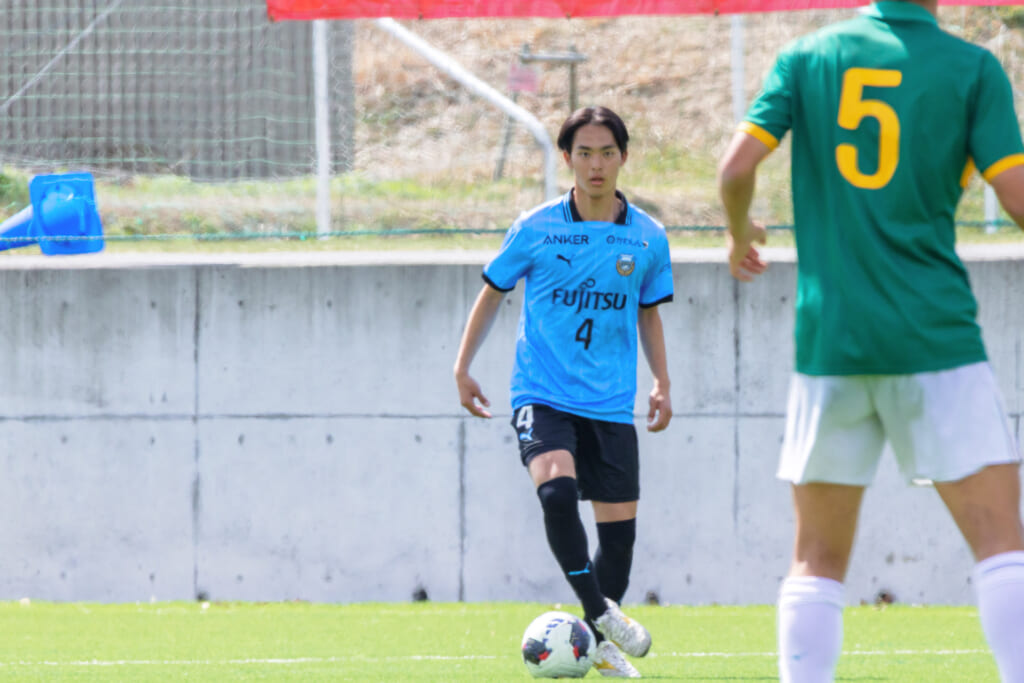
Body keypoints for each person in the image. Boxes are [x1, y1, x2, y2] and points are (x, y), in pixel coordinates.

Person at [717, 1, 1024, 681]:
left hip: (831, 343)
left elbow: (735, 169)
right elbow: (1018, 197)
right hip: (936, 337)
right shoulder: (972, 68)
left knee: (816, 559)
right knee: (1002, 545)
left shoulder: (806, 57)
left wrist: (739, 235)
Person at [454, 106, 674, 679]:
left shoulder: (648, 237)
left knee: (618, 542)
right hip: (543, 391)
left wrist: (662, 381)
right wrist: (463, 366)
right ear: (567, 158)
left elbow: (649, 313)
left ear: (623, 157)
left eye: (607, 153)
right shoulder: (536, 228)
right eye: (584, 153)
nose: (596, 165)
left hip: (610, 402)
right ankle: (600, 612)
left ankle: (597, 642)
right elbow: (493, 291)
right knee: (555, 494)